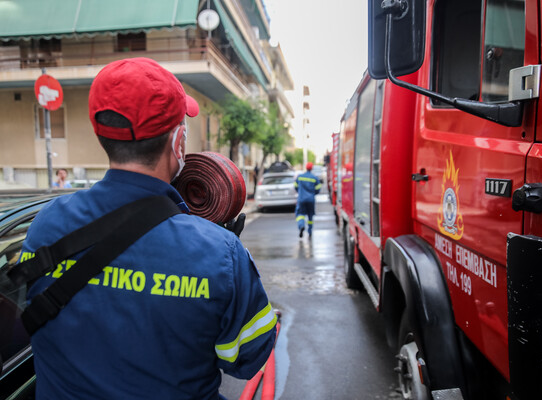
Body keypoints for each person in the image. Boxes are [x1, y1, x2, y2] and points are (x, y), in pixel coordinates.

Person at [19, 58, 276, 400]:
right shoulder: (219, 253)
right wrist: (226, 256)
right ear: (178, 142)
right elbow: (247, 358)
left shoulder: (45, 224)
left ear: (102, 134)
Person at [295, 162, 322, 238]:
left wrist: (300, 192)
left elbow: (296, 186)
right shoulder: (314, 178)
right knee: (310, 216)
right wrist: (313, 193)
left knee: (300, 214)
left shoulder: (300, 177)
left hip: (301, 199)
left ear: (306, 167)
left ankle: (301, 225)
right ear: (312, 168)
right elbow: (318, 188)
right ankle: (309, 231)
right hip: (311, 199)